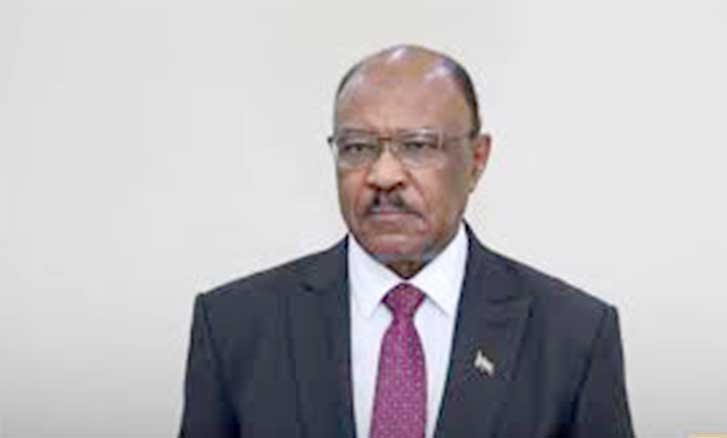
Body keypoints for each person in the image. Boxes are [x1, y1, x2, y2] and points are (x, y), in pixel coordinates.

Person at [178, 45, 635, 438]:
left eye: (417, 146)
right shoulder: (236, 327)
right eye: (357, 148)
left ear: (477, 160)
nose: (383, 175)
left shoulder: (572, 336)